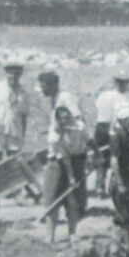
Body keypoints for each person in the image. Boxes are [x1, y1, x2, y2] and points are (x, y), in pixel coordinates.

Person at [38, 69, 89, 217]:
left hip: (71, 151)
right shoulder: (55, 99)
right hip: (60, 151)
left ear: (53, 84)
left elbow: (79, 121)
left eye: (44, 86)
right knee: (64, 186)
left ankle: (78, 217)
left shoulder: (65, 97)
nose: (42, 89)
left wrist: (72, 140)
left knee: (75, 186)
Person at [42, 104, 87, 246]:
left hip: (74, 163)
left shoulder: (78, 126)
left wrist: (96, 156)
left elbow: (89, 140)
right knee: (52, 202)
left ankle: (73, 234)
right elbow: (64, 158)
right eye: (61, 119)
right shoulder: (54, 134)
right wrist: (71, 177)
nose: (64, 121)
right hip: (56, 167)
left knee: (73, 202)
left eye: (67, 118)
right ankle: (50, 237)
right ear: (57, 120)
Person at [0, 63, 31, 160]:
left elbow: (24, 116)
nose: (13, 76)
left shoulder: (23, 93)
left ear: (20, 75)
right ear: (6, 73)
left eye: (17, 74)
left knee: (15, 161)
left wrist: (23, 135)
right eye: (10, 73)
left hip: (14, 130)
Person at [92, 74, 129, 197]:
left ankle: (99, 187)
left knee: (101, 158)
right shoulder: (121, 97)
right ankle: (116, 185)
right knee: (115, 157)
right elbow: (119, 116)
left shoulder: (104, 94)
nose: (125, 85)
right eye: (124, 83)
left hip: (100, 126)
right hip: (110, 127)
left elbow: (97, 108)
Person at [108, 89, 129, 227]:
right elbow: (114, 161)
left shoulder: (126, 133)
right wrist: (120, 183)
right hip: (122, 178)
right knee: (124, 213)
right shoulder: (117, 136)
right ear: (124, 119)